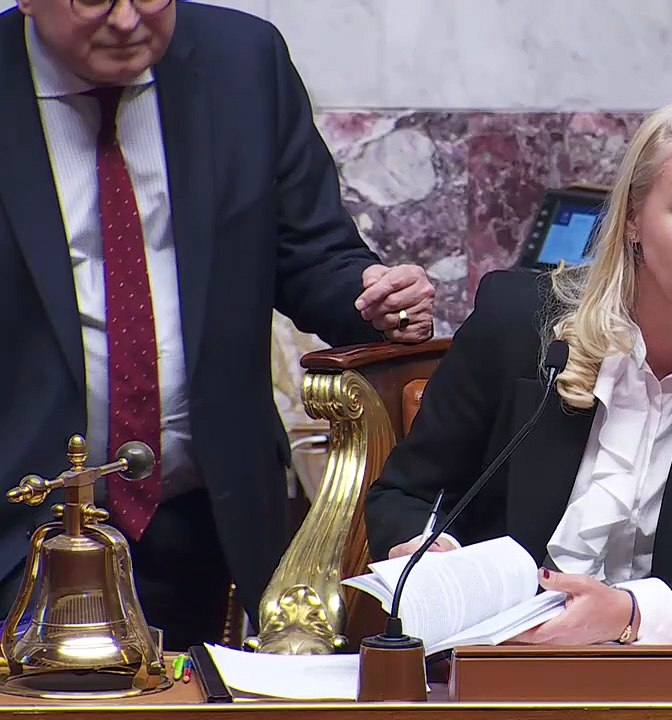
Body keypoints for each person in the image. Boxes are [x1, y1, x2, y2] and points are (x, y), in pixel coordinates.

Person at [0, 0, 436, 648]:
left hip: (198, 516)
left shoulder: (243, 63)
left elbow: (309, 250)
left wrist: (369, 297)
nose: (126, 20)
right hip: (19, 520)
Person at [365, 96, 672, 645]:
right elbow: (406, 497)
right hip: (500, 660)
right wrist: (429, 551)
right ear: (631, 220)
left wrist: (630, 614)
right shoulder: (518, 326)